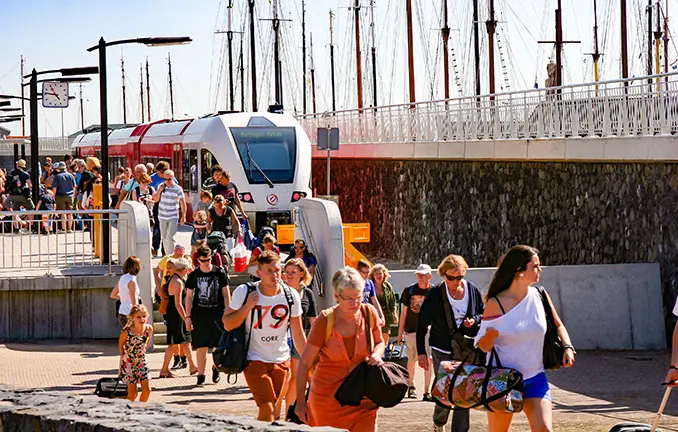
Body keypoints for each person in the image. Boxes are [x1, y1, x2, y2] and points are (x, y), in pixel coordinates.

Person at [476, 245, 575, 432]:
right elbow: (483, 346)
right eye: (535, 266)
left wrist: (568, 347)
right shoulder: (495, 303)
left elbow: (558, 325)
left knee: (544, 429)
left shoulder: (540, 295)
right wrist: (490, 336)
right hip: (502, 380)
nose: (540, 270)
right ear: (519, 270)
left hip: (535, 377)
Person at [294, 266, 385, 430]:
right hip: (328, 401)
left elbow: (379, 342)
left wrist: (377, 355)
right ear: (336, 296)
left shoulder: (369, 312)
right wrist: (301, 401)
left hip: (364, 398)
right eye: (349, 298)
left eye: (358, 296)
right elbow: (305, 363)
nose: (355, 302)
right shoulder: (325, 320)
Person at [223, 251, 307, 422]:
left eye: (277, 270)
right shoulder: (244, 291)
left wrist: (309, 361)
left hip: (281, 360)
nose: (275, 275)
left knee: (275, 412)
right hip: (254, 359)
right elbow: (227, 323)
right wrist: (247, 307)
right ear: (259, 272)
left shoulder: (291, 295)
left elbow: (298, 333)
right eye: (269, 271)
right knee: (267, 408)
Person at [417, 256, 484, 432]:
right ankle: (439, 422)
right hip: (441, 347)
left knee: (463, 390)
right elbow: (422, 324)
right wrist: (421, 353)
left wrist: (474, 320)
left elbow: (482, 313)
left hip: (466, 347)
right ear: (443, 274)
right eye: (451, 278)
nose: (455, 281)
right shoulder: (434, 294)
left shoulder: (472, 290)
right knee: (446, 388)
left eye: (459, 277)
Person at [185, 245, 231, 386]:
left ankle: (216, 367)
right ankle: (201, 374)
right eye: (204, 260)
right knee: (201, 346)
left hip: (217, 313)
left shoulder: (219, 272)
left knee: (217, 345)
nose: (207, 262)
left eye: (209, 259)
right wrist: (188, 317)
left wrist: (228, 311)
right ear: (198, 260)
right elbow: (188, 297)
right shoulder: (193, 276)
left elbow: (226, 293)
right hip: (200, 314)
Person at [282, 258, 318, 417]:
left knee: (296, 377)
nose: (289, 275)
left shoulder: (307, 293)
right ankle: (279, 410)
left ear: (302, 273)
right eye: (287, 272)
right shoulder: (279, 291)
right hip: (280, 339)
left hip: (299, 339)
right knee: (284, 377)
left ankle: (288, 413)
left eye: (293, 272)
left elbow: (314, 321)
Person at [397, 264, 435, 400]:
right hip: (411, 330)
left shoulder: (434, 291)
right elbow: (403, 313)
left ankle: (427, 391)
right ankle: (411, 386)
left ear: (429, 276)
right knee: (412, 360)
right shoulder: (409, 291)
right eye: (419, 275)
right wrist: (399, 333)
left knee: (428, 360)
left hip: (428, 332)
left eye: (423, 275)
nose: (420, 277)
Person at [159, 258, 198, 378]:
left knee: (185, 341)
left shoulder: (177, 279)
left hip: (175, 313)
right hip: (176, 315)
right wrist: (186, 317)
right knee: (174, 343)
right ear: (185, 270)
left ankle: (192, 366)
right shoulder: (178, 282)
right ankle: (164, 369)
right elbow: (178, 303)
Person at [118, 304, 153, 402]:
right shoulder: (127, 332)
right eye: (138, 317)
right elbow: (121, 344)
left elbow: (146, 342)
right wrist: (123, 357)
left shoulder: (148, 329)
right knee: (132, 394)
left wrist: (143, 350)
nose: (142, 319)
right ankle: (130, 411)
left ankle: (141, 408)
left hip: (141, 361)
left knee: (147, 390)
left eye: (144, 316)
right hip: (129, 362)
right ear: (132, 317)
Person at [153, 169, 186, 255]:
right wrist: (159, 190)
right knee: (164, 237)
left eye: (169, 179)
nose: (167, 181)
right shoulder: (161, 186)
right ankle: (168, 255)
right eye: (166, 179)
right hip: (162, 216)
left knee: (170, 236)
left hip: (173, 215)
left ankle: (170, 256)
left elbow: (182, 203)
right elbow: (155, 200)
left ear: (173, 178)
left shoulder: (178, 188)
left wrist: (183, 216)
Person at [110, 256, 141, 327]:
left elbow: (113, 295)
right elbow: (134, 301)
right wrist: (137, 314)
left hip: (122, 312)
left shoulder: (122, 278)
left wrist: (124, 298)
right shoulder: (132, 281)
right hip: (130, 312)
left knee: (126, 335)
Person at [369, 264, 397, 344]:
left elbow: (392, 301)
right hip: (373, 317)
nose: (378, 275)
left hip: (386, 317)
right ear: (373, 275)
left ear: (384, 274)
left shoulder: (388, 286)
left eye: (380, 273)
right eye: (376, 274)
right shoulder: (370, 286)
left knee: (384, 342)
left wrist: (394, 313)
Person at [356, 259, 386, 327]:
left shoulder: (370, 283)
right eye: (365, 272)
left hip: (367, 312)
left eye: (368, 272)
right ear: (358, 271)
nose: (367, 275)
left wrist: (381, 316)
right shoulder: (353, 284)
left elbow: (375, 300)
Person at [51, 161, 76, 232]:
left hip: (60, 196)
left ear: (59, 168)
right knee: (70, 213)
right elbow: (74, 187)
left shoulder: (57, 176)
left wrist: (53, 197)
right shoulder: (71, 175)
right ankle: (70, 228)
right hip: (70, 196)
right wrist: (73, 196)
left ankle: (63, 228)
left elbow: (54, 188)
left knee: (63, 213)